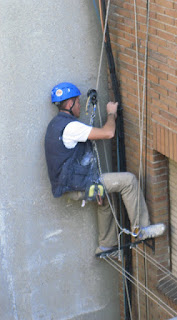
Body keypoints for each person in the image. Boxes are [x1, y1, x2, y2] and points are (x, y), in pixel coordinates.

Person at [45, 82, 166, 256]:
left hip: (70, 185)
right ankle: (142, 229)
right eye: (78, 102)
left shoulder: (54, 125)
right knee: (128, 181)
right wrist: (111, 113)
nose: (80, 106)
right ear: (70, 103)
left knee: (104, 196)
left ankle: (106, 246)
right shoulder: (71, 127)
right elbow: (108, 133)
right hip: (76, 185)